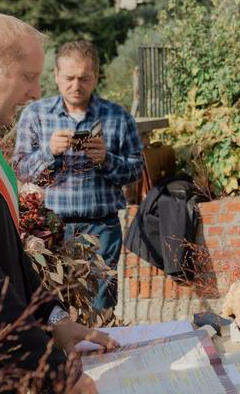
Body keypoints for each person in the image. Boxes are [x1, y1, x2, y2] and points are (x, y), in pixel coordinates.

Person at [0, 14, 115, 393]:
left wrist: (53, 316)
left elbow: (4, 254)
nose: (35, 92)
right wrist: (60, 377)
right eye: (28, 76)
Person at [15, 40, 143, 311]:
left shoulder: (118, 117)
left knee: (99, 308)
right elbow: (22, 170)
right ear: (57, 76)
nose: (76, 85)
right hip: (50, 229)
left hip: (102, 229)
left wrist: (106, 159)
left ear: (96, 77)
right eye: (69, 78)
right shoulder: (35, 115)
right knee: (55, 309)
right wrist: (49, 152)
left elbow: (134, 172)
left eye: (84, 78)